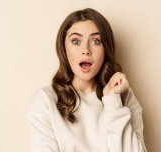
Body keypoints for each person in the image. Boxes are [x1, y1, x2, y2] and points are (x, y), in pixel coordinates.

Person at [26, 8, 147, 152]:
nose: (86, 50)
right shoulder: (45, 100)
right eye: (76, 41)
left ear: (106, 49)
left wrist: (113, 100)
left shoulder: (124, 96)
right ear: (64, 48)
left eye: (96, 41)